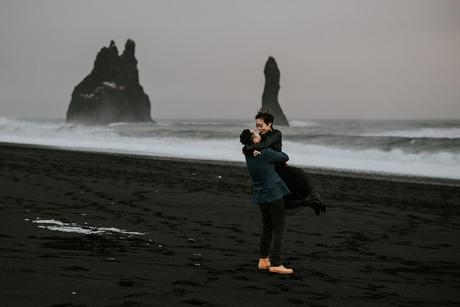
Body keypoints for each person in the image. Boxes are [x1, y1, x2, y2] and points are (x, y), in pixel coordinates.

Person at [243, 112, 326, 215]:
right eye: (257, 126)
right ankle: (310, 202)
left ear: (269, 124)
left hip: (281, 169)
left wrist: (252, 148)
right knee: (285, 203)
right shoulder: (260, 136)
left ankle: (315, 198)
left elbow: (266, 144)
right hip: (270, 170)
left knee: (297, 182)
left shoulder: (276, 134)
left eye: (261, 126)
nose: (259, 129)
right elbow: (245, 147)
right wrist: (251, 150)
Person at [240, 128, 294, 275]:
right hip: (273, 195)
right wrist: (268, 147)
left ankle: (263, 260)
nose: (259, 134)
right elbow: (284, 157)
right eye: (257, 134)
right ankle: (276, 263)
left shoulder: (248, 153)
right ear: (255, 140)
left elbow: (246, 148)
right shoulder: (265, 153)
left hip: (260, 197)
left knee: (267, 227)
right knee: (279, 228)